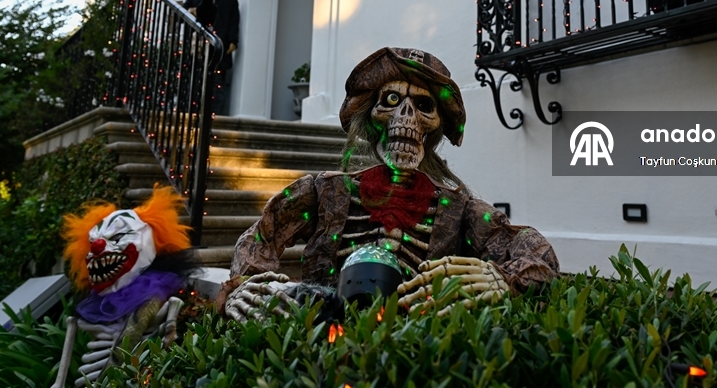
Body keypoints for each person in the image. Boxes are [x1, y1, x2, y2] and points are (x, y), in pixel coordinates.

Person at [219, 47, 560, 321]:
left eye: (423, 106)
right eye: (392, 101)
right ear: (371, 116)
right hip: (321, 332)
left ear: (436, 125)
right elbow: (262, 235)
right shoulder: (324, 191)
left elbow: (533, 250)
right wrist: (246, 285)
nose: (406, 118)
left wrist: (504, 278)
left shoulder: (459, 209)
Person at [183, 0, 240, 116]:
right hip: (199, 49)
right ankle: (195, 111)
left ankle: (216, 113)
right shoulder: (195, 0)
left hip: (219, 49)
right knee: (196, 81)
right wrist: (191, 12)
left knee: (218, 83)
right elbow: (182, 14)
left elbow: (234, 22)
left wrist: (233, 41)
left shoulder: (230, 2)